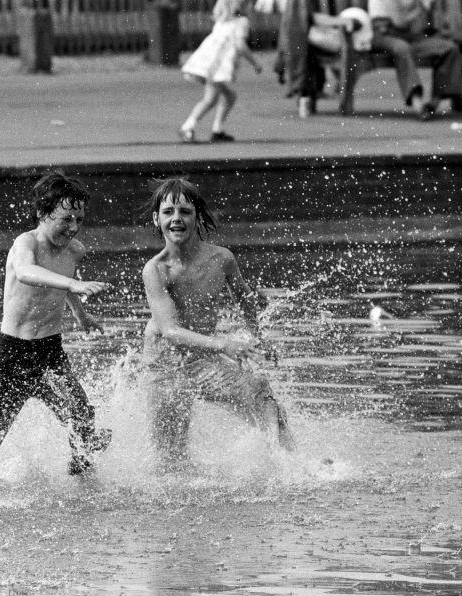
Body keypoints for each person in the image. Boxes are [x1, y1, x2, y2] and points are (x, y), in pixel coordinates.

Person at [0, 171, 111, 486]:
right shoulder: (26, 244)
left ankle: (84, 484)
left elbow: (61, 286)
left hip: (49, 353)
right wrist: (76, 283)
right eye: (66, 219)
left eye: (80, 219)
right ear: (43, 214)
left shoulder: (75, 250)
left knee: (82, 418)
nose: (73, 227)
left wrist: (81, 314)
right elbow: (27, 272)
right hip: (11, 356)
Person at [140, 177, 295, 464]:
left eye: (185, 212)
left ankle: (292, 467)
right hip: (163, 364)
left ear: (197, 216)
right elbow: (170, 331)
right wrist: (225, 345)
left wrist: (259, 338)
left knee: (261, 394)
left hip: (201, 359)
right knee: (171, 458)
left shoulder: (222, 259)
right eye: (168, 212)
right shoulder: (156, 269)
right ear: (156, 219)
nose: (176, 219)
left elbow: (246, 300)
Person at [179, 0, 263, 143]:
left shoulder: (222, 21)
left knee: (229, 96)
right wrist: (255, 63)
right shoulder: (242, 22)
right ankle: (188, 126)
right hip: (217, 67)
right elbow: (240, 45)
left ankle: (217, 130)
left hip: (208, 64)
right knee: (210, 99)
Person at [367, 0, 462, 120]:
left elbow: (419, 26)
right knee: (402, 49)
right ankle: (416, 101)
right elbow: (397, 21)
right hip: (383, 34)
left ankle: (434, 103)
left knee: (449, 48)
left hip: (411, 37)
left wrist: (426, 8)